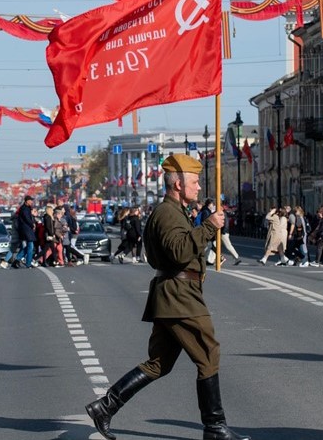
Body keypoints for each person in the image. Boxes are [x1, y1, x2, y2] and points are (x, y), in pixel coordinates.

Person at [85, 154, 249, 440]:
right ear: (178, 184)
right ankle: (215, 427)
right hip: (180, 296)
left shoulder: (172, 212)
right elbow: (179, 252)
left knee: (159, 362)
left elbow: (163, 253)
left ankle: (106, 407)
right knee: (208, 353)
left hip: (174, 293)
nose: (199, 187)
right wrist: (209, 226)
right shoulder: (168, 213)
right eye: (195, 182)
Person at [13, 196, 37, 268]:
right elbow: (27, 219)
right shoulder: (24, 209)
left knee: (28, 247)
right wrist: (32, 225)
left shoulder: (27, 208)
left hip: (27, 229)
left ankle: (17, 260)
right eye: (30, 200)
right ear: (27, 201)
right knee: (30, 247)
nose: (32, 202)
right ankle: (28, 263)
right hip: (26, 230)